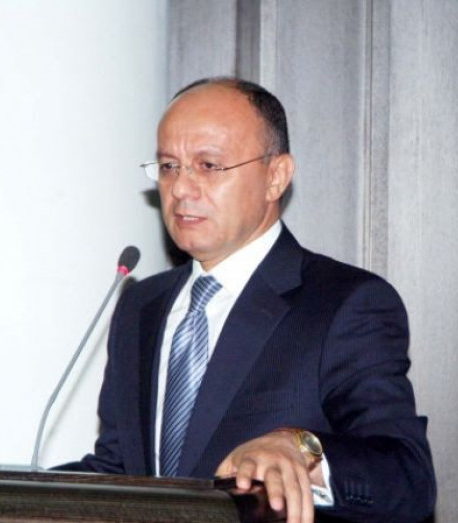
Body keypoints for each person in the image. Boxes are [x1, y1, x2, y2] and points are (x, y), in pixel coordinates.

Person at [60, 77, 436, 523]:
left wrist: (301, 447)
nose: (180, 189)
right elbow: (121, 470)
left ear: (275, 177)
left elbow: (407, 477)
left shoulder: (344, 304)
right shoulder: (141, 306)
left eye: (208, 166)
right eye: (168, 166)